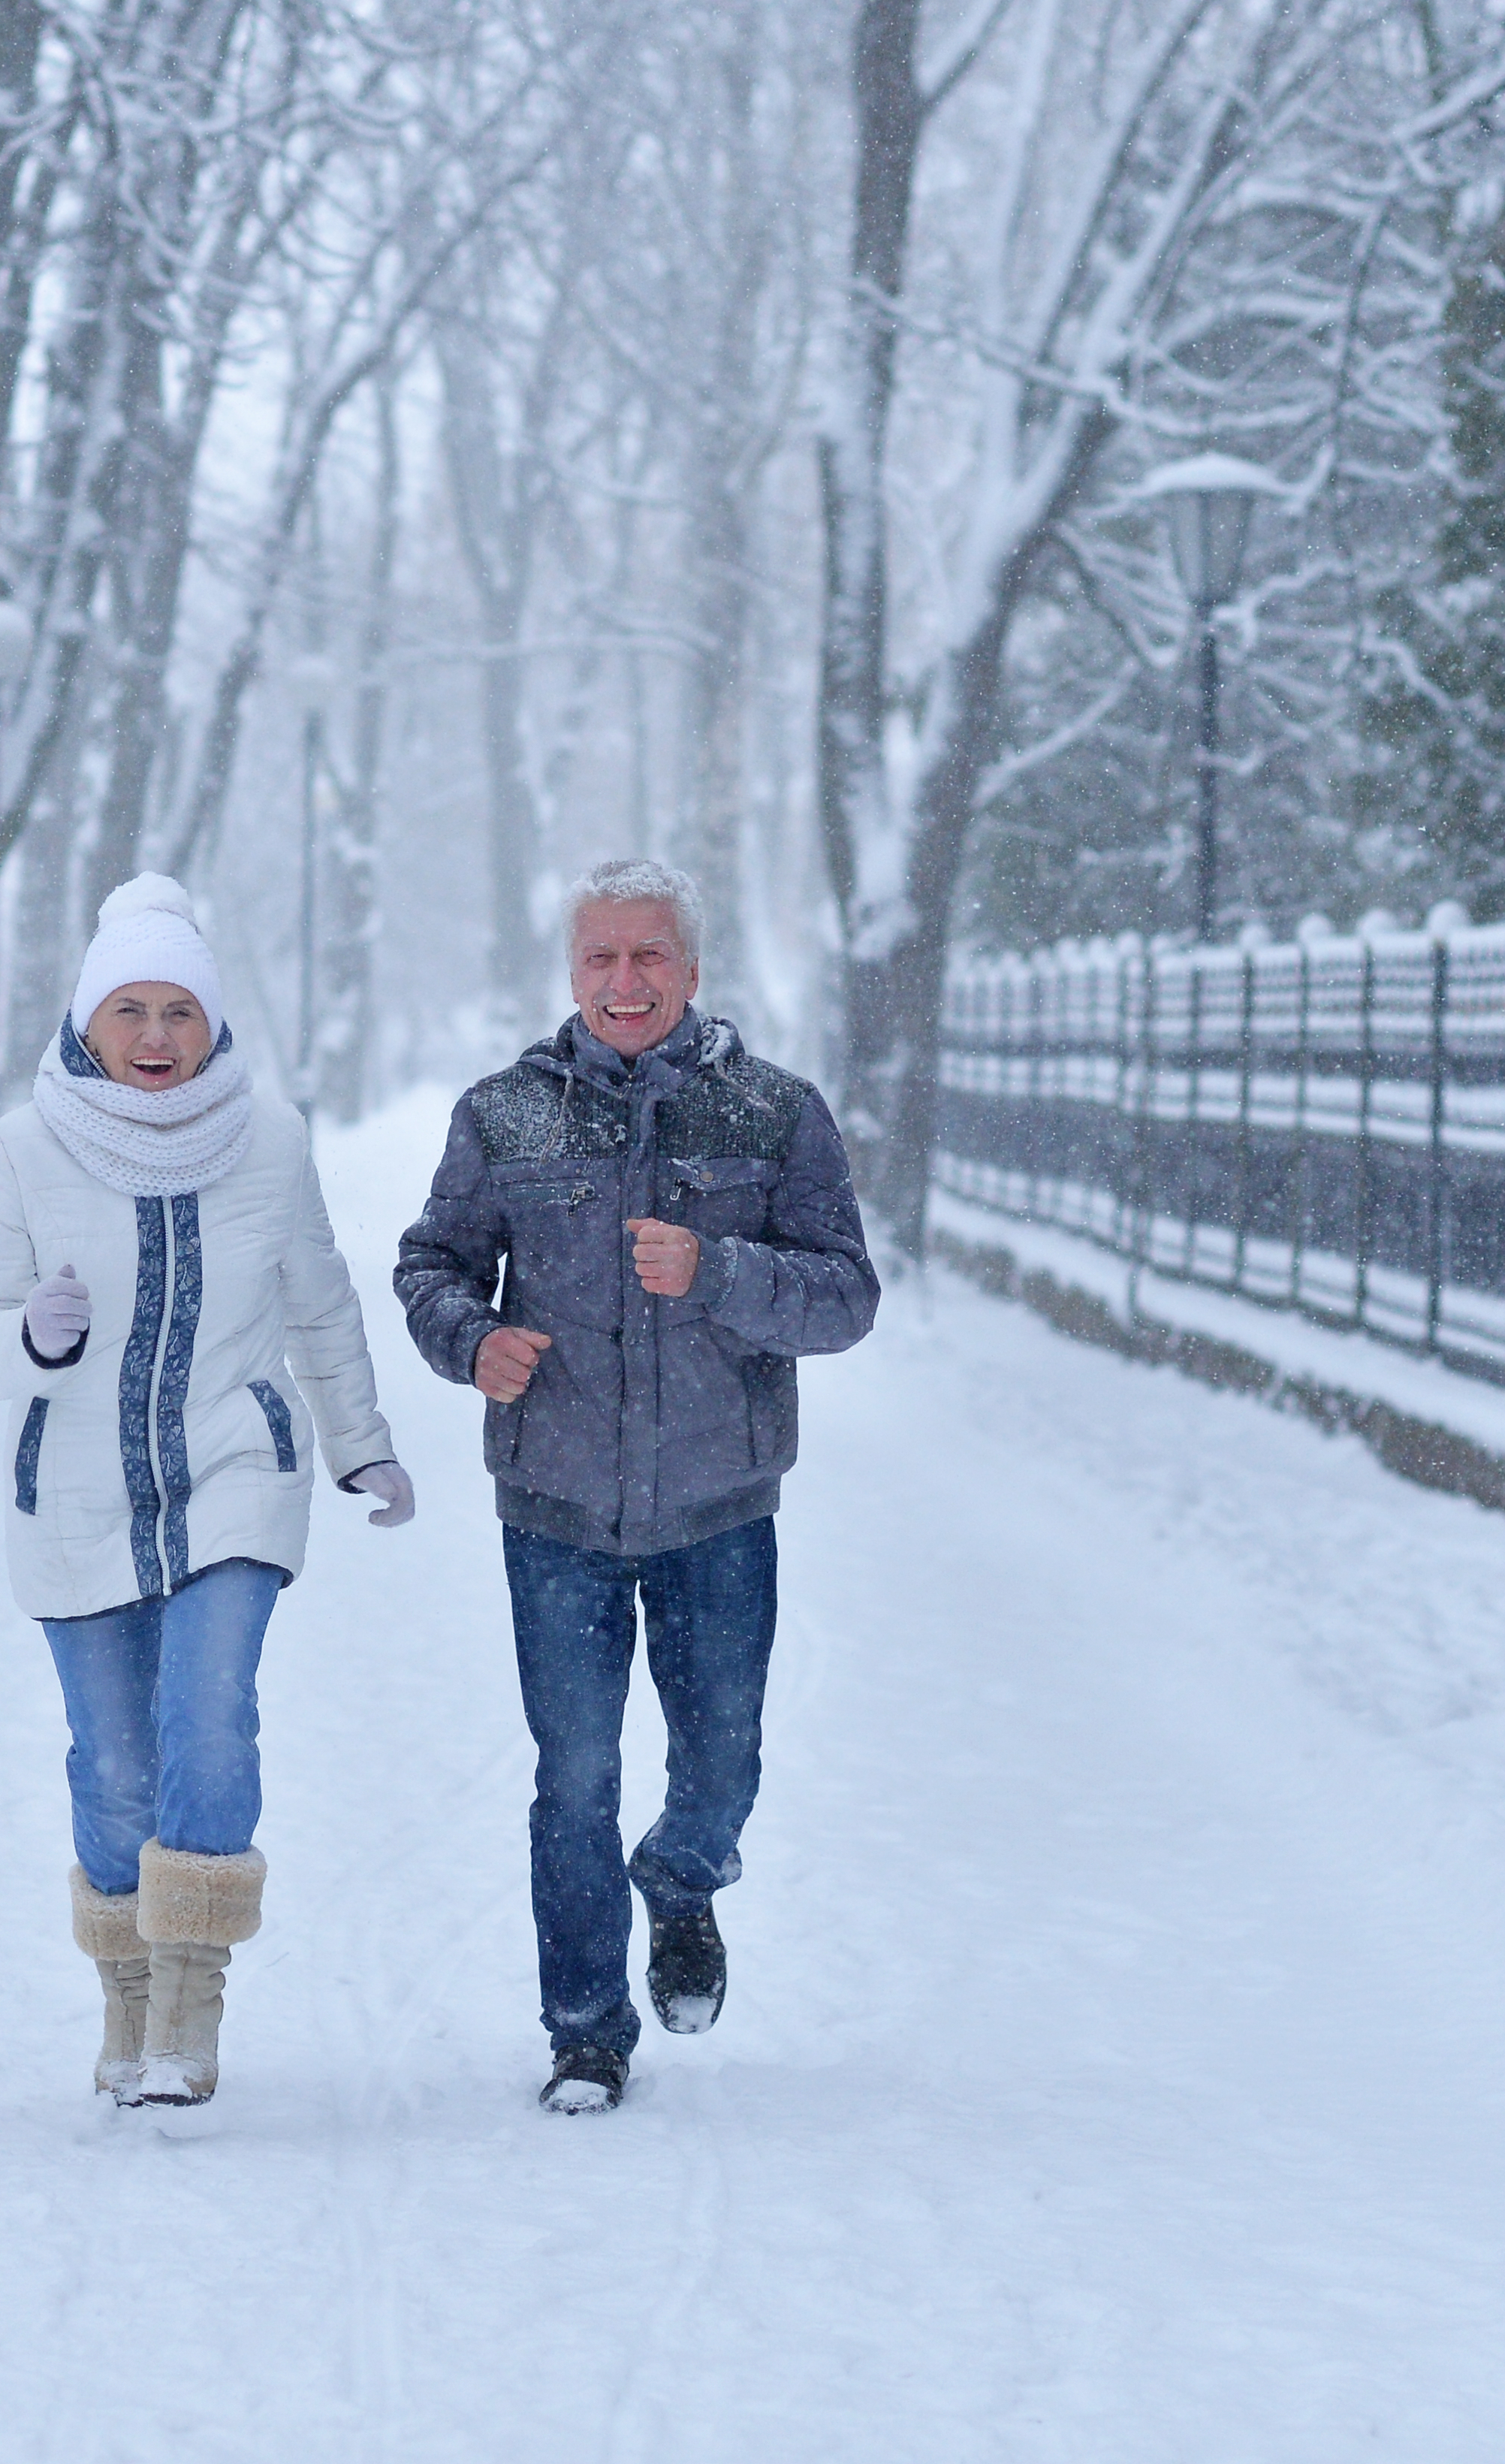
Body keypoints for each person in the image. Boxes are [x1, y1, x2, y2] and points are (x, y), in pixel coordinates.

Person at [395, 858, 879, 2112]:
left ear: (692, 969)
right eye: (601, 958)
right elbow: (433, 1267)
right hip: (555, 1510)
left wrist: (717, 1270)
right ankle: (586, 2032)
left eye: (648, 956)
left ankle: (682, 1880)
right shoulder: (506, 1115)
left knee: (721, 1764)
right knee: (576, 1775)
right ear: (572, 972)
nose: (625, 981)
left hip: (720, 1509)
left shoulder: (774, 1114)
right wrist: (470, 1341)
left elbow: (845, 1298)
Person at [0, 873, 415, 2110]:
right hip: (77, 1496)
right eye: (131, 1012)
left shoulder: (269, 1141)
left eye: (179, 1014)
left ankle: (192, 2005)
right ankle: (127, 1998)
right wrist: (33, 1340)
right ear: (88, 1022)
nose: (156, 1037)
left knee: (208, 1715)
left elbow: (319, 1305)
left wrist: (359, 1440)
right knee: (110, 1760)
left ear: (213, 1026)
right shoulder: (23, 1147)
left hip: (231, 1477)